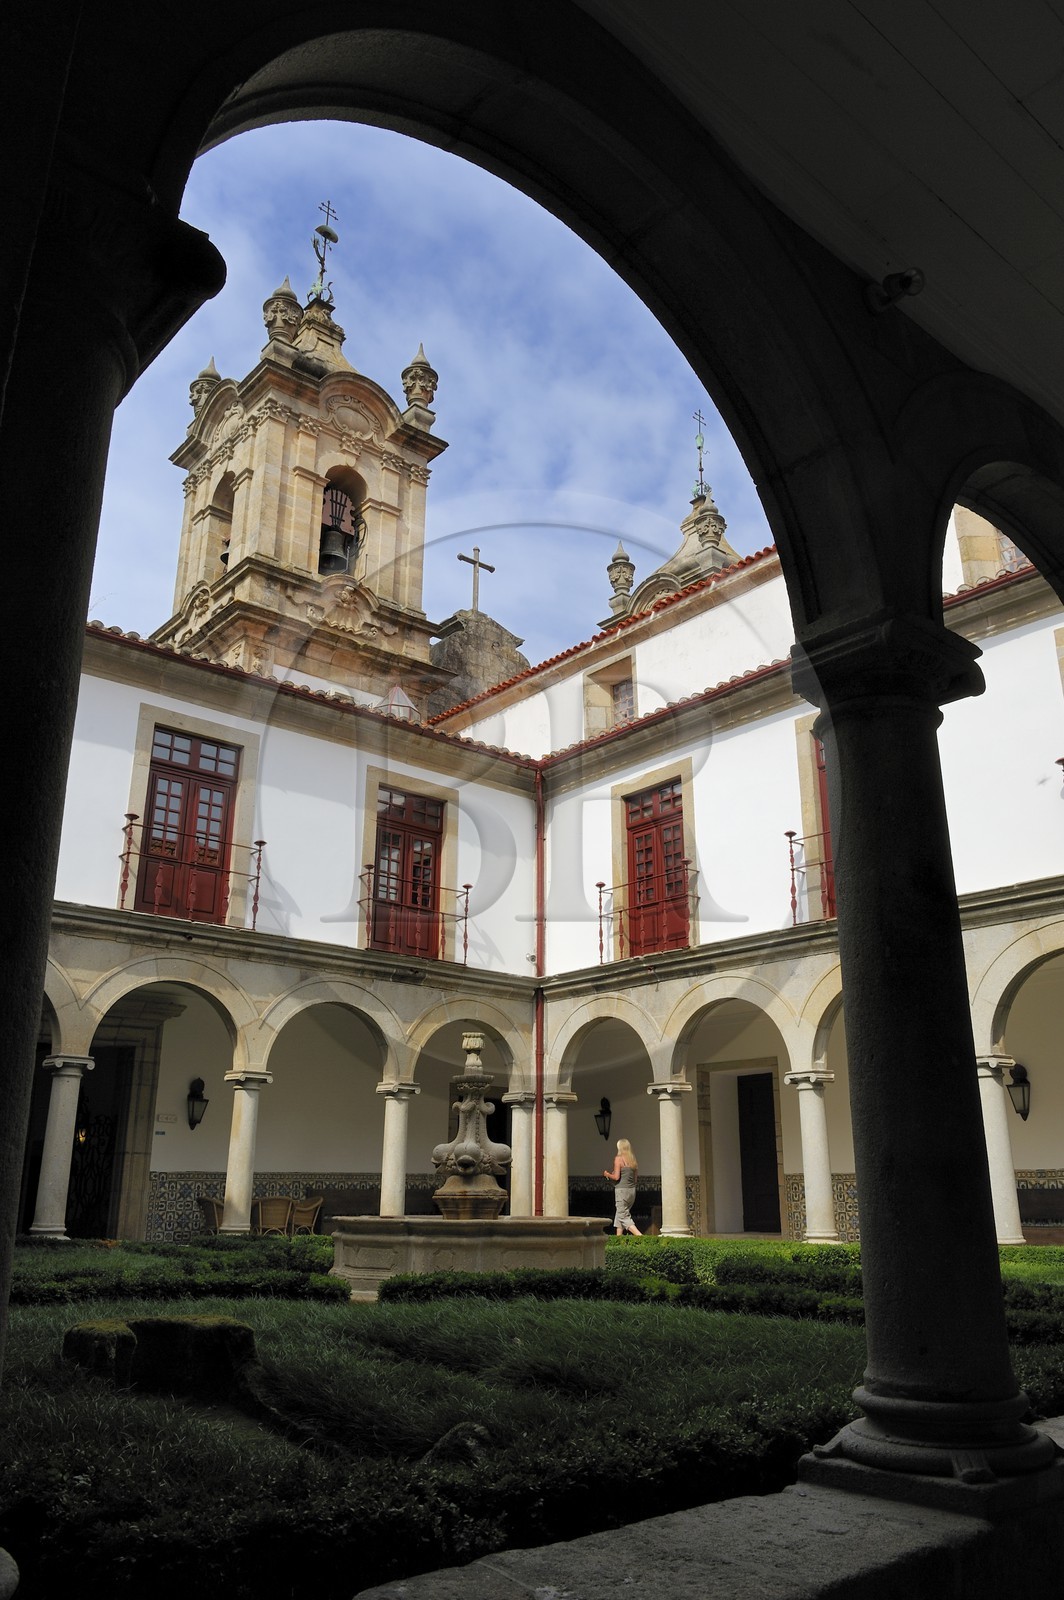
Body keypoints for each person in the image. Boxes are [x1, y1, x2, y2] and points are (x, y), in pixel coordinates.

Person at [603, 1138, 641, 1236]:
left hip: (621, 1191)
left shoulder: (618, 1159)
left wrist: (607, 1174)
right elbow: (635, 1180)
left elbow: (616, 1177)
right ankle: (619, 1240)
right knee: (620, 1215)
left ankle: (641, 1236)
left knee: (624, 1216)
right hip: (632, 1192)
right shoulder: (633, 1160)